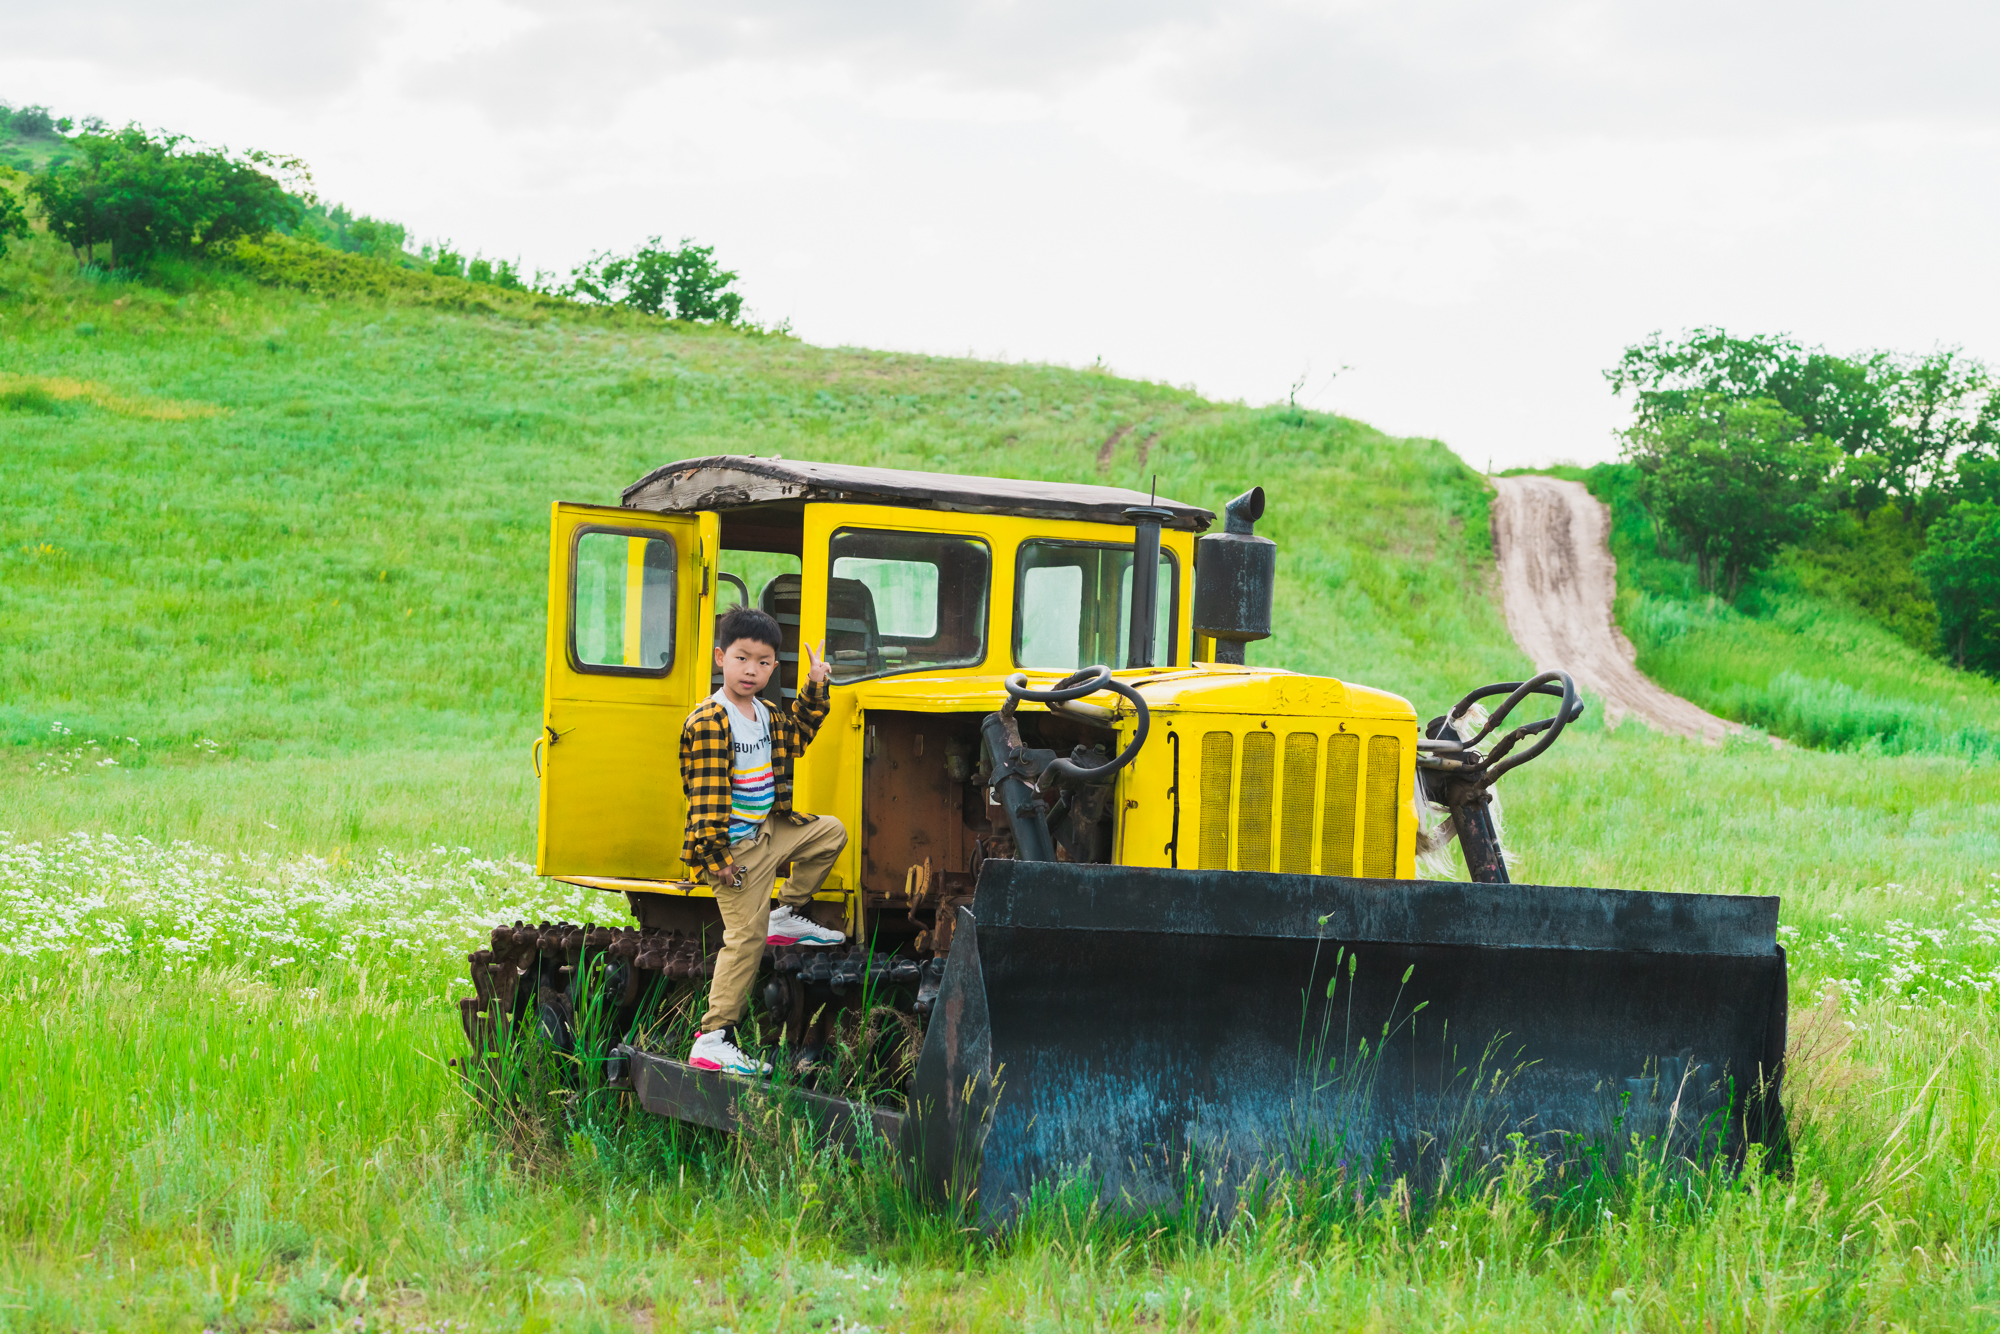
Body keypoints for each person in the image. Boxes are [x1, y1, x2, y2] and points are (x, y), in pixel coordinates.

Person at [681, 606, 848, 1075]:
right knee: (744, 939)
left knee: (829, 833)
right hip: (734, 851)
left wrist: (815, 685)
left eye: (762, 661)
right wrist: (717, 859)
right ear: (721, 658)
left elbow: (799, 735)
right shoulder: (710, 721)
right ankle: (713, 1038)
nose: (751, 669)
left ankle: (787, 912)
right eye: (741, 658)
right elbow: (704, 799)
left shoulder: (766, 713)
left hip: (769, 830)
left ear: (774, 666)